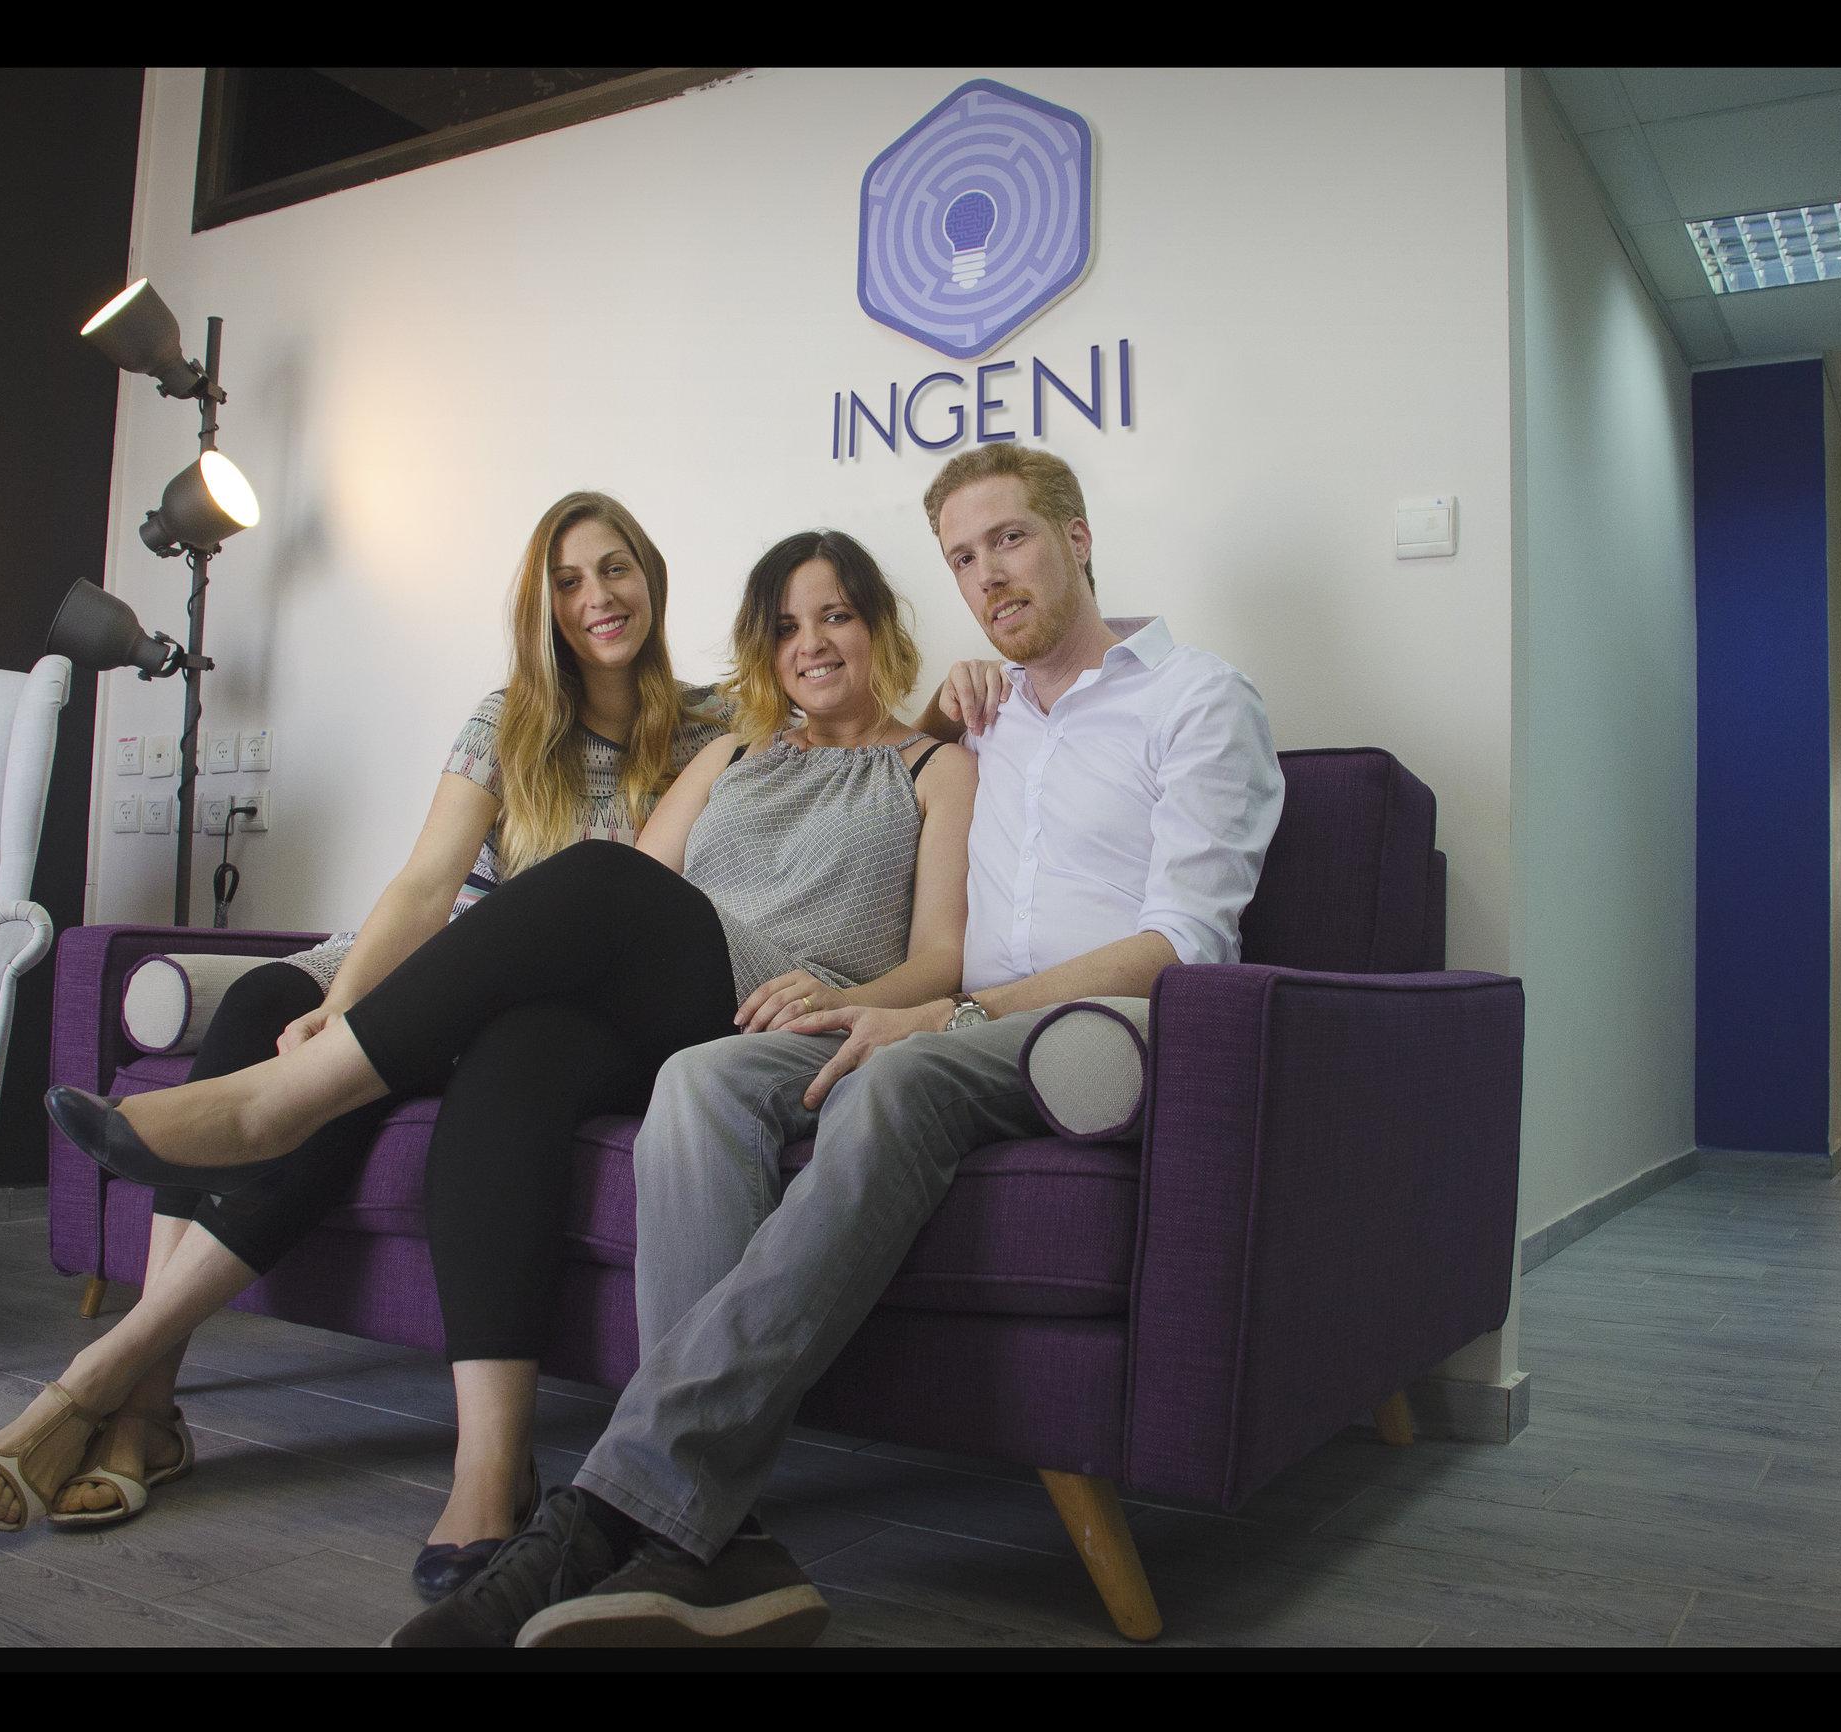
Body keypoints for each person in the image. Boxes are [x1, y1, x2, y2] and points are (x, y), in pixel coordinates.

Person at [387, 443, 1285, 1649]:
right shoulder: (988, 717)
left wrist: (948, 1011)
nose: (988, 575)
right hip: (946, 1017)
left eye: (1010, 539)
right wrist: (910, 986)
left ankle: (619, 1505)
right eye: (962, 557)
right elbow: (876, 748)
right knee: (700, 1077)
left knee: (894, 1078)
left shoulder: (1198, 698)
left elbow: (1187, 940)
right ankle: (710, 1541)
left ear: (1076, 539)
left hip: (1096, 1029)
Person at [31, 528, 977, 1616]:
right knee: (514, 1052)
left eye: (837, 616)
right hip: (681, 993)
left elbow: (942, 956)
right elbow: (641, 896)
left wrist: (857, 996)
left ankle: (280, 1104)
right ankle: (489, 1477)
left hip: (796, 1003)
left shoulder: (937, 767)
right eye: (785, 626)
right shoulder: (728, 752)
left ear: (880, 626)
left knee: (596, 876)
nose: (811, 643)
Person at [0, 490, 730, 1577]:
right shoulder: (507, 720)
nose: (598, 596)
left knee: (333, 1082)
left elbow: (850, 709)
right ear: (541, 605)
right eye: (569, 580)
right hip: (429, 959)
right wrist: (344, 1007)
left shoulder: (714, 725)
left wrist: (946, 704)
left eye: (615, 568)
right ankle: (152, 1402)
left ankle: (105, 1382)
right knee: (260, 1006)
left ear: (652, 577)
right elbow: (423, 888)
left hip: (539, 1003)